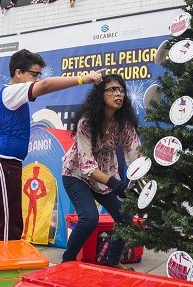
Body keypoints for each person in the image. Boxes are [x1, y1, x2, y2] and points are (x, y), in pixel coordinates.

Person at [0, 49, 103, 241]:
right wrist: (82, 79)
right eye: (33, 75)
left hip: (7, 164)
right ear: (18, 73)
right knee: (6, 223)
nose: (37, 80)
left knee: (12, 222)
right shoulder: (12, 91)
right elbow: (45, 86)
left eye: (38, 75)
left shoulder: (15, 96)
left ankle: (8, 261)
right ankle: (3, 264)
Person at [61, 74, 141, 270]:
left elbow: (135, 157)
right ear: (100, 95)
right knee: (89, 218)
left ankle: (113, 262)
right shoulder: (86, 123)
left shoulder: (124, 124)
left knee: (126, 219)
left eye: (121, 90)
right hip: (76, 174)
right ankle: (67, 262)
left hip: (105, 175)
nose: (118, 94)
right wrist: (115, 184)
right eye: (112, 90)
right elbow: (87, 165)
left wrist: (142, 183)